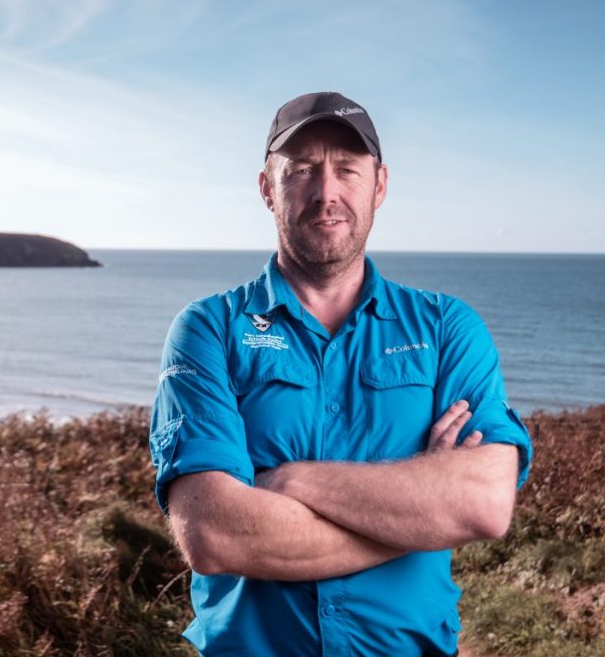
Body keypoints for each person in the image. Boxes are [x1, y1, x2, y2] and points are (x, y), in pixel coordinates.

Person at [149, 91, 533, 656]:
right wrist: (419, 512)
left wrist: (290, 482)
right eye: (303, 170)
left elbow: (482, 504)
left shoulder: (448, 328)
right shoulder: (209, 329)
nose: (326, 192)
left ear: (379, 186)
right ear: (266, 189)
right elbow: (214, 532)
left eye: (347, 170)